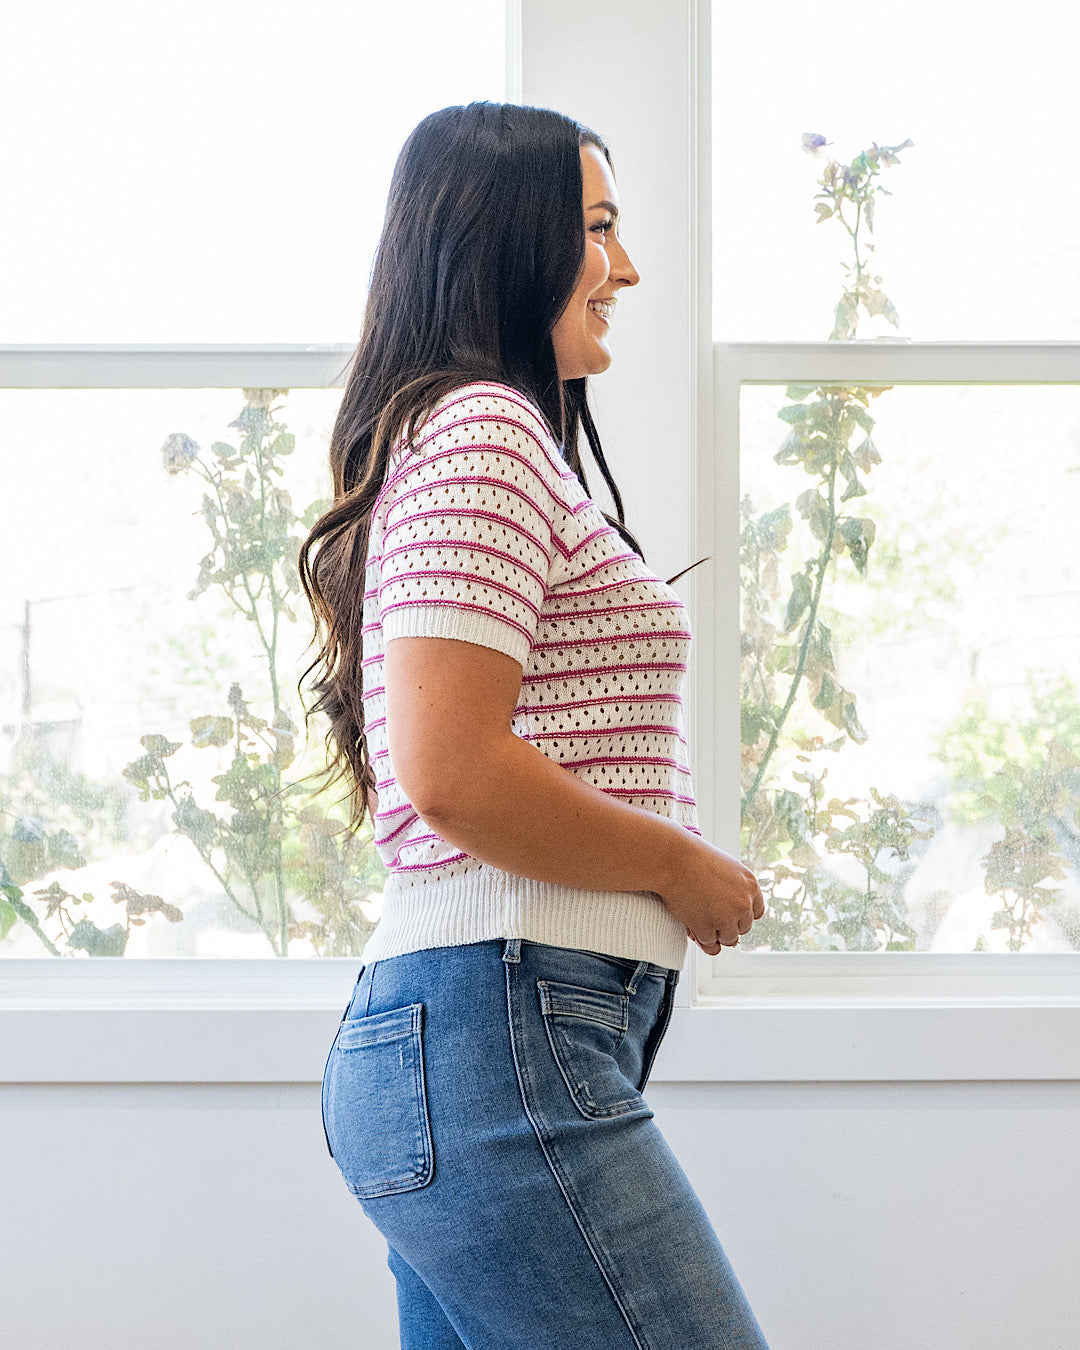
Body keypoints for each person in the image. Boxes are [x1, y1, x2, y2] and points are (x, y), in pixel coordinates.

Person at [299, 101, 770, 1350]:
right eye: (599, 229)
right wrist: (679, 864)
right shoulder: (484, 429)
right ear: (508, 239)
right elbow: (453, 773)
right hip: (494, 1031)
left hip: (476, 1035)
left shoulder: (471, 437)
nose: (623, 269)